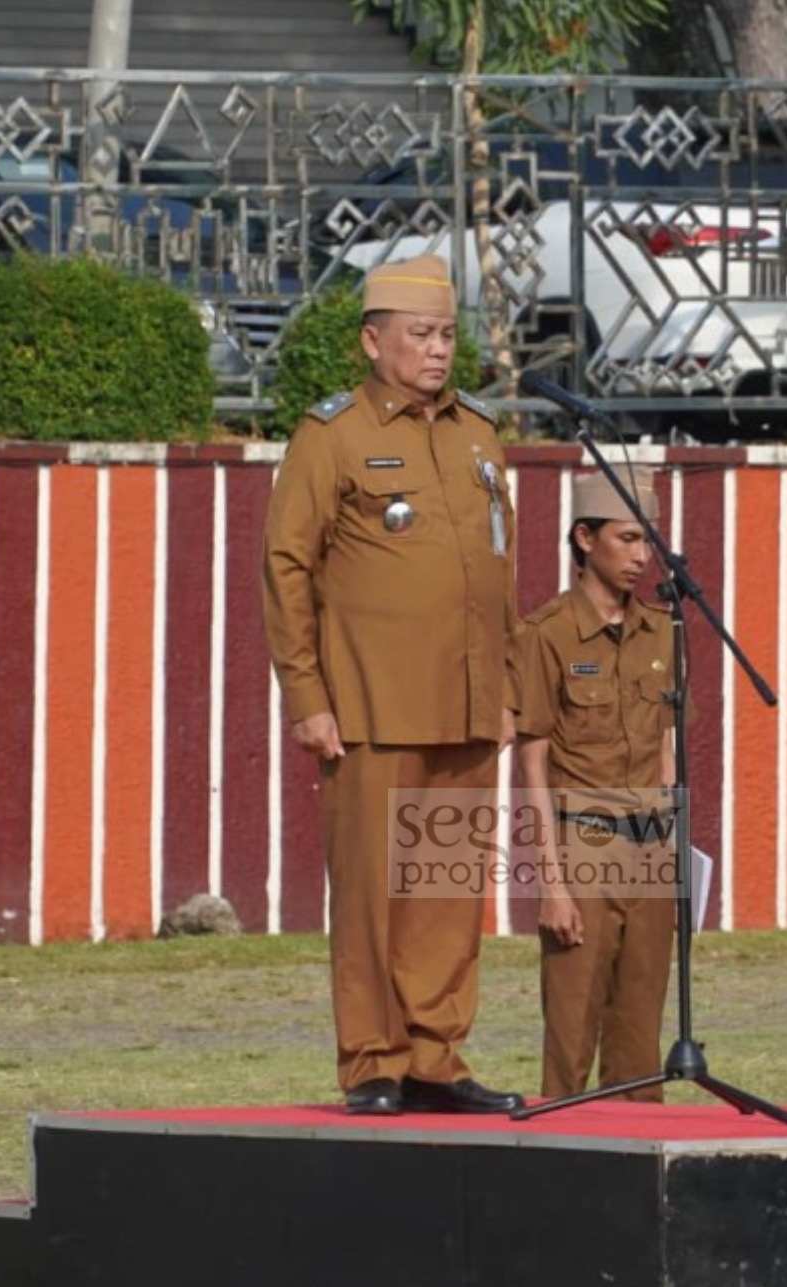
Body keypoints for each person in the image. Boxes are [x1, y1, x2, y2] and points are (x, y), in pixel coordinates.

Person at [261, 254, 523, 1116]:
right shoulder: (330, 436)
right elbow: (287, 566)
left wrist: (509, 686)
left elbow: (498, 571)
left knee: (449, 890)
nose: (438, 351)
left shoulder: (478, 433)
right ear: (374, 341)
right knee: (375, 894)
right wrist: (307, 696)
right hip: (370, 705)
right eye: (420, 335)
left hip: (467, 699)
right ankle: (373, 1060)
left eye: (447, 334)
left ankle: (436, 1059)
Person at [515, 465, 678, 1102]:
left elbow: (665, 748)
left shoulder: (665, 632)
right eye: (627, 539)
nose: (642, 557)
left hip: (649, 848)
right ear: (584, 538)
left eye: (649, 543)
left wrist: (673, 856)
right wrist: (550, 883)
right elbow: (532, 768)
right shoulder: (545, 635)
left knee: (641, 1043)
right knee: (570, 1039)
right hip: (581, 850)